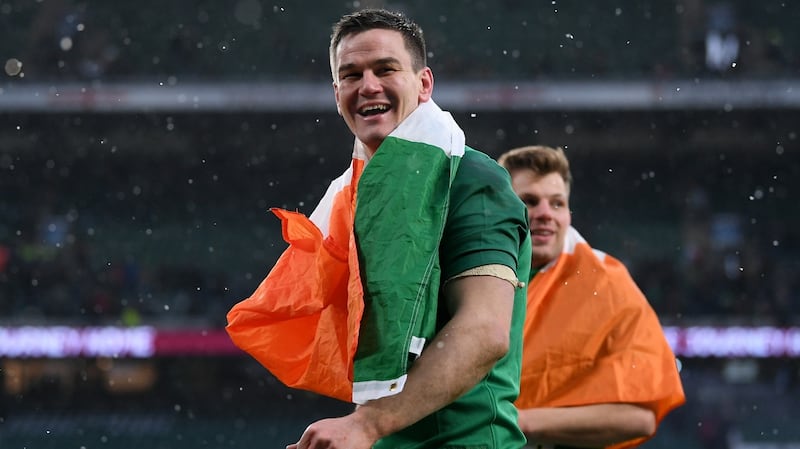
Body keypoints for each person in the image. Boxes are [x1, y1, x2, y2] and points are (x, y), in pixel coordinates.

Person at [226, 9, 531, 449]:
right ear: (337, 94)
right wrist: (361, 429)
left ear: (424, 84)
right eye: (351, 75)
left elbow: (485, 332)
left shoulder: (471, 179)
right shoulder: (357, 196)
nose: (367, 85)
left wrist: (365, 426)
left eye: (385, 69)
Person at [497, 145, 686, 449]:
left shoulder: (606, 283)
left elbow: (640, 417)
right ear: (500, 206)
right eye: (529, 201)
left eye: (557, 204)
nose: (545, 213)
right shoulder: (462, 270)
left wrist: (519, 423)